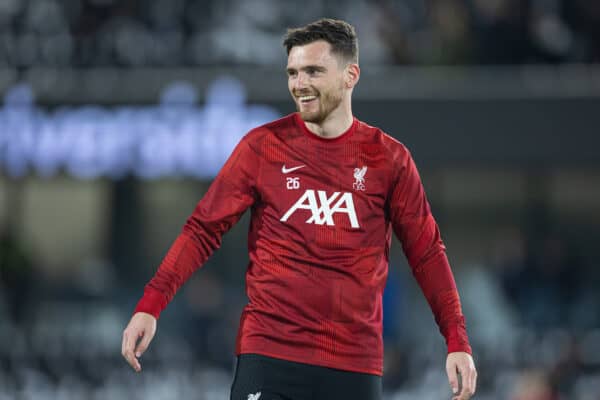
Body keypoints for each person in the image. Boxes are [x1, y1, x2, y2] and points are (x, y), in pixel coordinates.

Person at [121, 18, 477, 400]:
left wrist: (456, 338)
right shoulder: (263, 147)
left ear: (350, 75)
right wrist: (150, 305)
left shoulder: (389, 159)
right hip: (269, 352)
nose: (299, 84)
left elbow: (426, 253)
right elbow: (203, 229)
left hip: (353, 363)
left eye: (313, 71)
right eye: (292, 72)